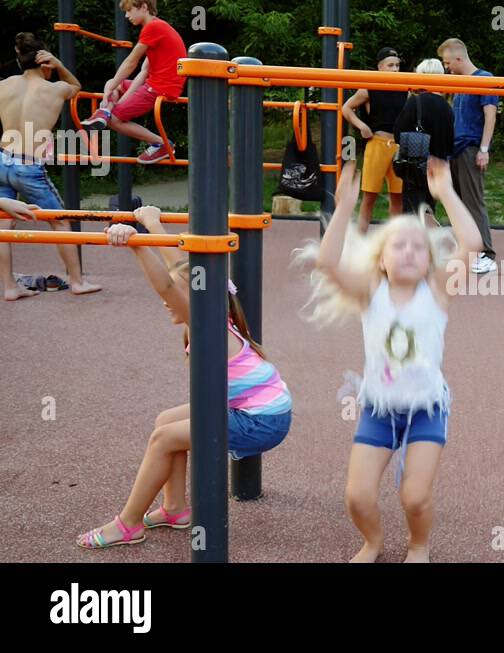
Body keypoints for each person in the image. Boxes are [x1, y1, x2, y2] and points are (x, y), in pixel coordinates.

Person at [297, 158, 482, 562]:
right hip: (379, 408)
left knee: (415, 497)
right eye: (399, 245)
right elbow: (327, 264)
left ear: (430, 261)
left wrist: (447, 193)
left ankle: (419, 544)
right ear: (381, 259)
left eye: (419, 246)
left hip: (425, 408)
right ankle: (374, 541)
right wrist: (344, 206)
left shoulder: (437, 292)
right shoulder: (370, 294)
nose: (410, 252)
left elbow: (472, 245)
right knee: (357, 497)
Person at [76, 206, 292, 549]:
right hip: (259, 411)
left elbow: (165, 283)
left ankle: (128, 524)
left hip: (261, 422)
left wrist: (136, 243)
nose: (168, 302)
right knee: (165, 422)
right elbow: (180, 268)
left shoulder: (205, 322)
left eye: (179, 294)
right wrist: (152, 224)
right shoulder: (213, 312)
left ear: (194, 298)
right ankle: (174, 508)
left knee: (164, 439)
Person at [0, 33, 101, 300]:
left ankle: (10, 287)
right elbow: (75, 86)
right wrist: (59, 66)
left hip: (2, 159)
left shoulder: (5, 85)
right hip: (28, 166)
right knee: (60, 222)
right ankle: (77, 281)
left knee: (3, 226)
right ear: (45, 63)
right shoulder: (55, 89)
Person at [80, 0, 186, 165]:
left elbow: (131, 62)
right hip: (155, 83)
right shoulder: (159, 27)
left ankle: (162, 144)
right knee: (115, 85)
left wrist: (115, 92)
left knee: (114, 120)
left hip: (161, 87)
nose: (126, 15)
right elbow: (143, 72)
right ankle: (104, 112)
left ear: (144, 7)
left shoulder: (153, 28)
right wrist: (115, 88)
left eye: (129, 10)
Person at [437, 38, 498, 274]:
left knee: (473, 201)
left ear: (459, 59)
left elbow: (490, 116)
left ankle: (486, 253)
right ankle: (468, 249)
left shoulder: (485, 79)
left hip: (472, 148)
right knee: (459, 203)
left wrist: (484, 149)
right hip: (456, 148)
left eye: (447, 62)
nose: (447, 67)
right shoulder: (460, 83)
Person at [340, 47, 407, 232]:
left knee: (398, 196)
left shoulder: (404, 87)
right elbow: (346, 108)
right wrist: (362, 126)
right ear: (380, 67)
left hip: (398, 145)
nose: (395, 69)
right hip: (377, 142)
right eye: (390, 65)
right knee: (369, 196)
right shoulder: (370, 87)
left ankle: (394, 239)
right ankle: (360, 238)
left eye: (397, 65)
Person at [393, 58, 454, 225]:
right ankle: (429, 247)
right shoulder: (446, 107)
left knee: (411, 212)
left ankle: (411, 247)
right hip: (437, 166)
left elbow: (398, 133)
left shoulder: (415, 102)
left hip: (414, 165)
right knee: (429, 211)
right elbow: (450, 142)